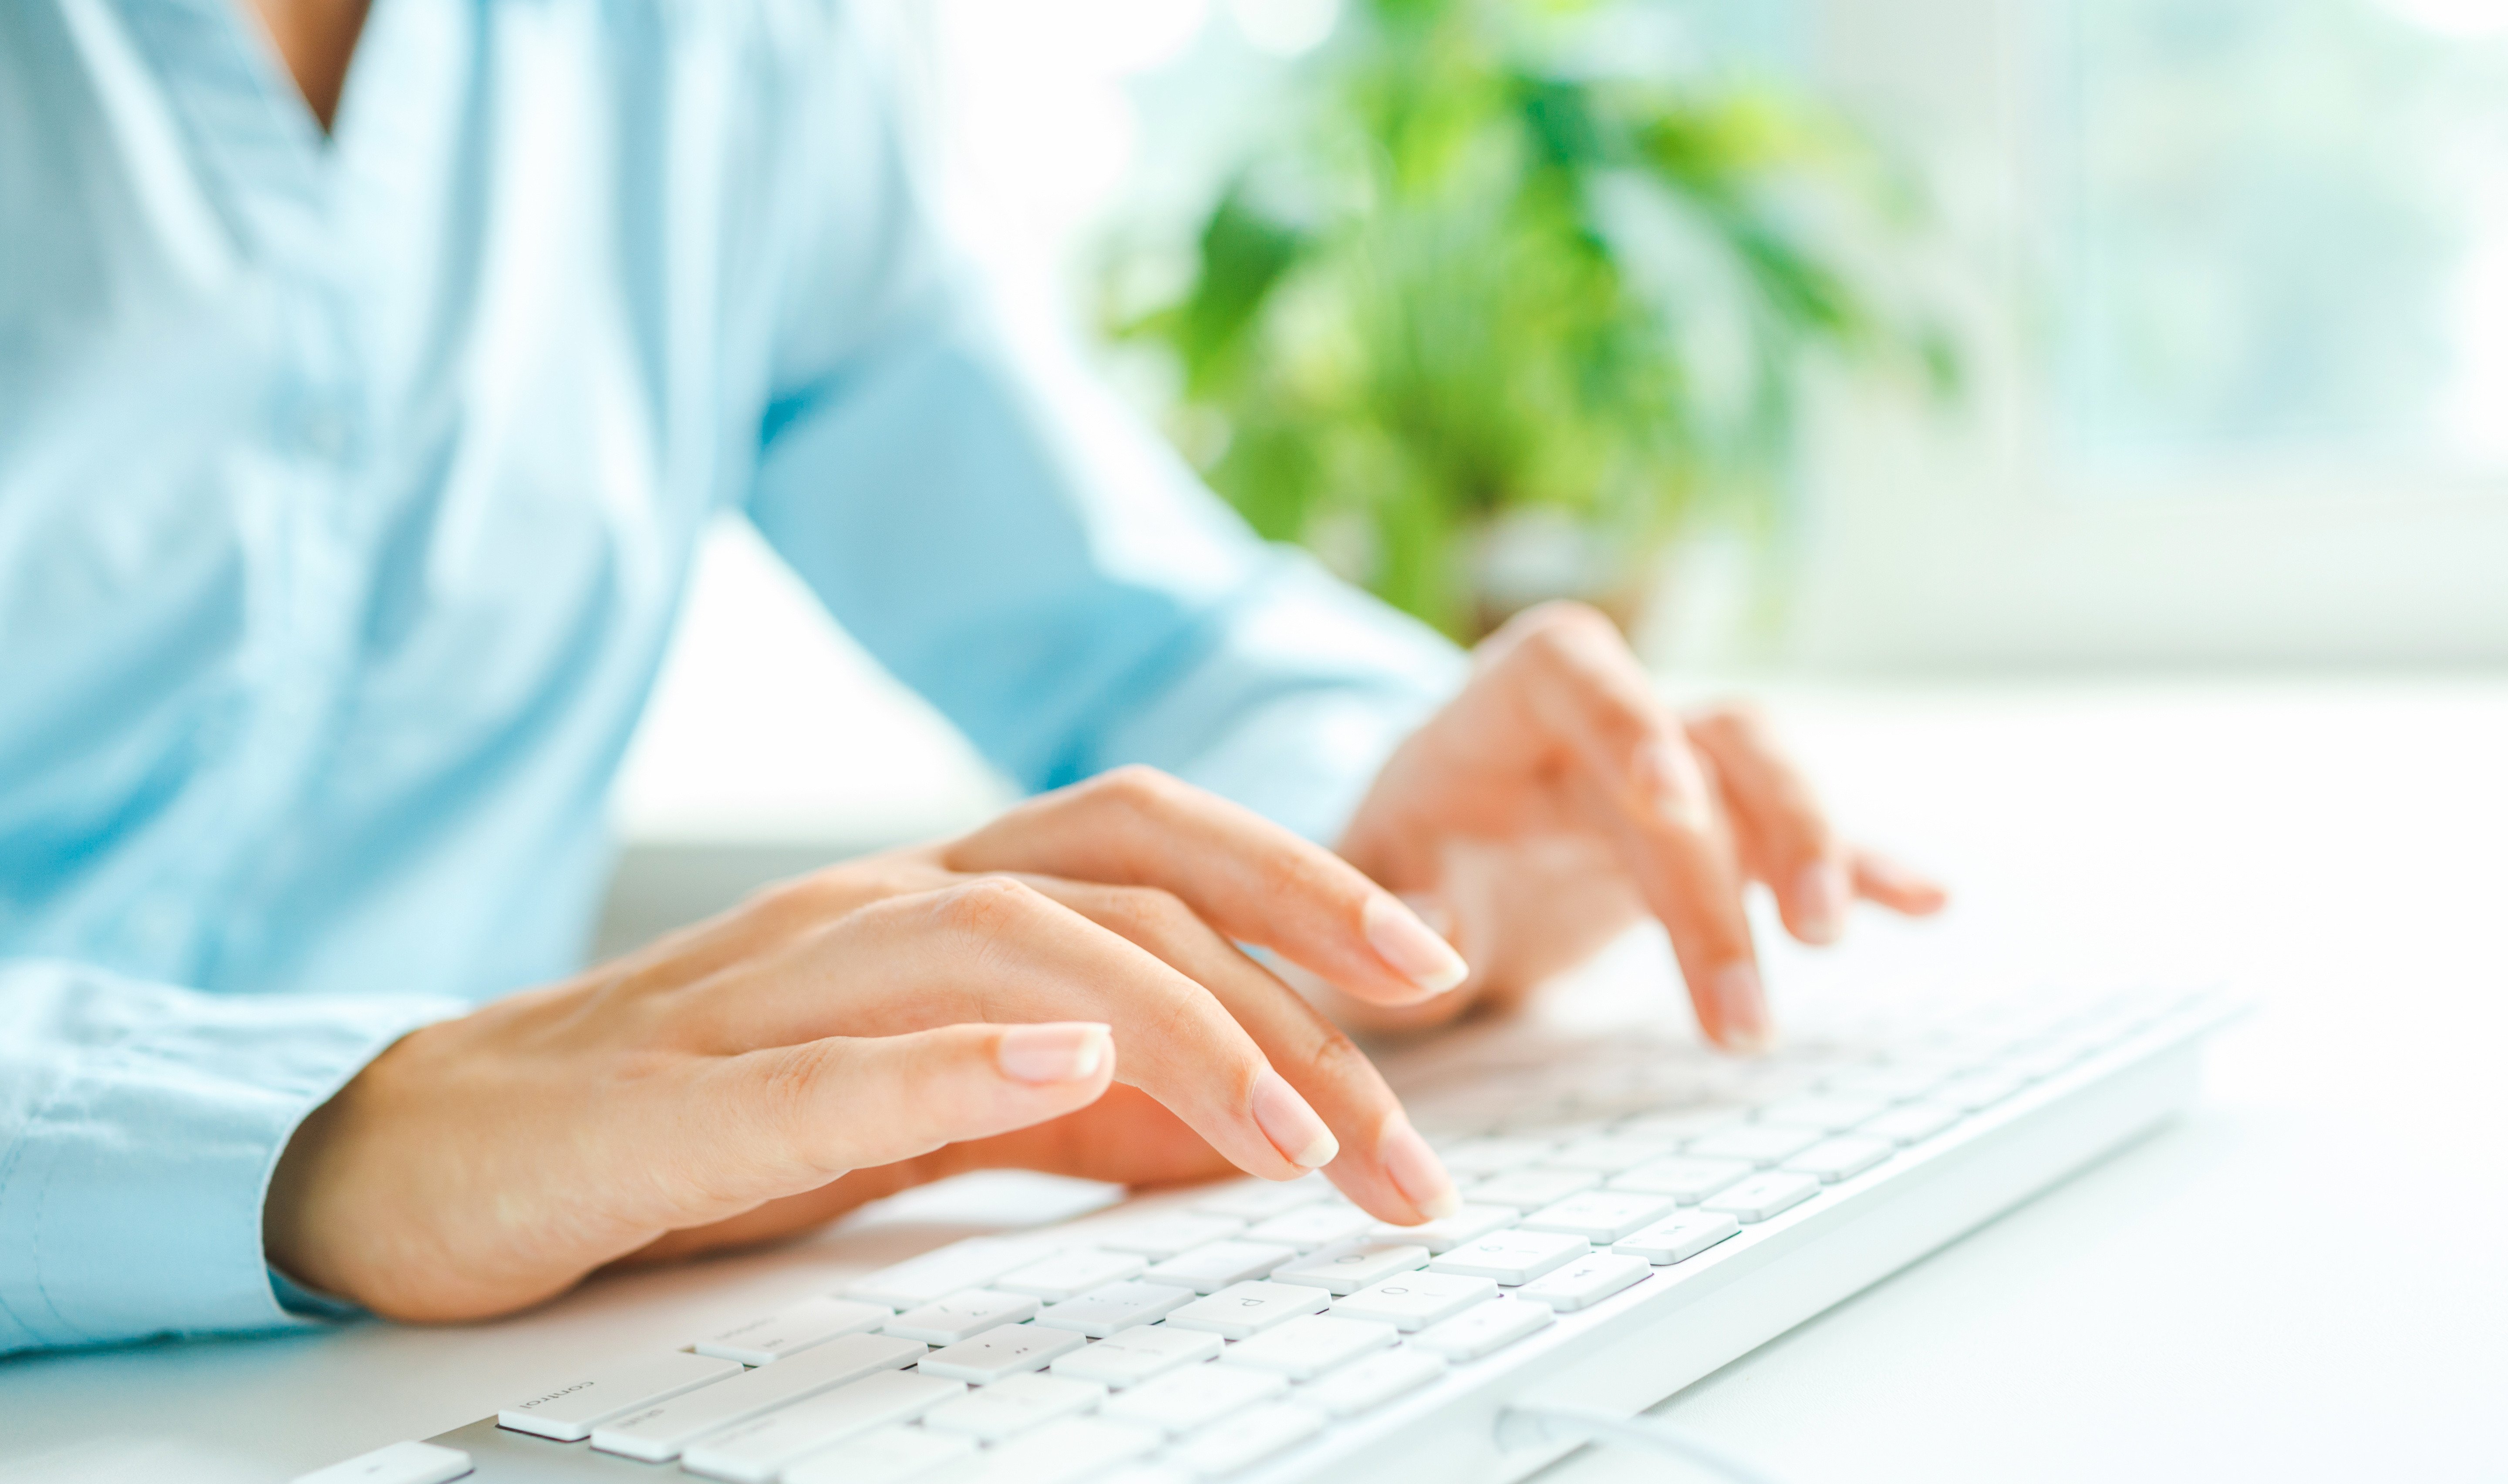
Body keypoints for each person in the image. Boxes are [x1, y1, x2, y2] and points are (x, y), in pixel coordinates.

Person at [0, 0, 1945, 1356]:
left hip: (431, 1392)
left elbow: (1130, 626)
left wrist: (1390, 830)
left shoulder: (725, 43)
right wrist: (337, 1123)